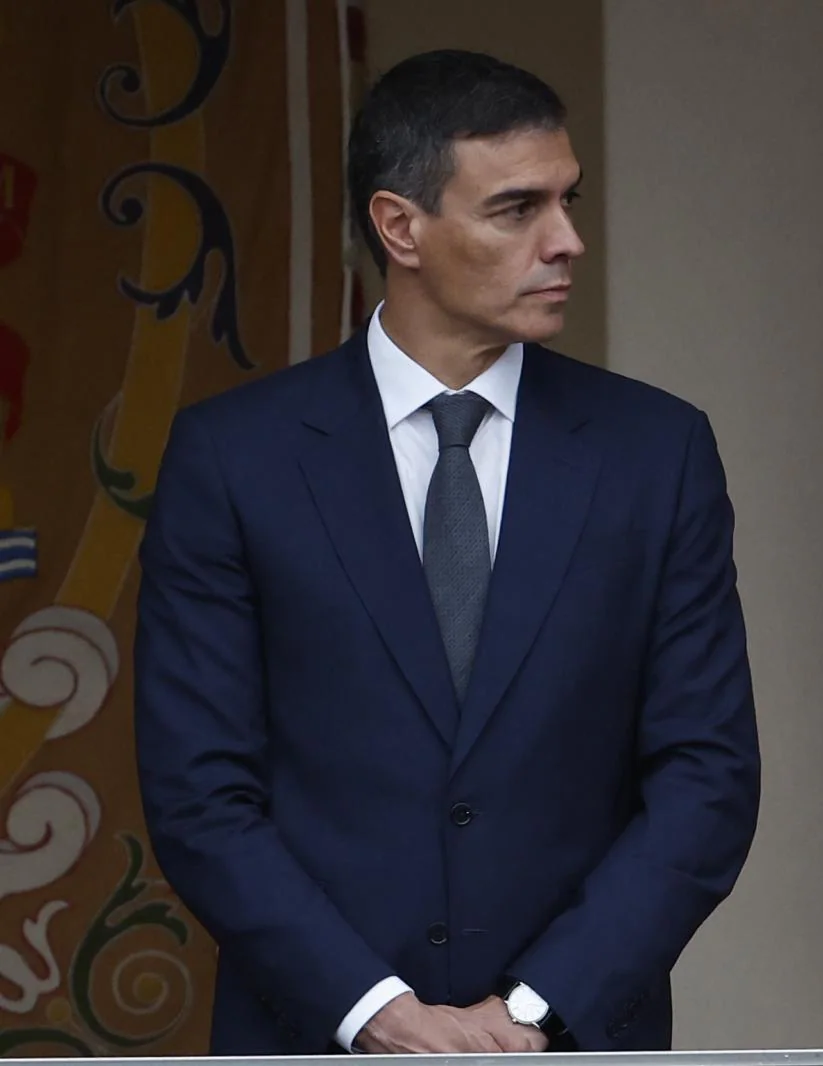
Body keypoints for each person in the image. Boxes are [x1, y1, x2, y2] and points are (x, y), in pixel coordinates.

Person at [133, 49, 760, 1056]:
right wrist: (375, 1010)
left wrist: (529, 1011)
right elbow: (199, 791)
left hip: (574, 1038)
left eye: (568, 200)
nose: (567, 241)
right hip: (312, 1036)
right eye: (517, 210)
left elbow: (705, 777)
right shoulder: (235, 457)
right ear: (399, 226)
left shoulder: (657, 451)